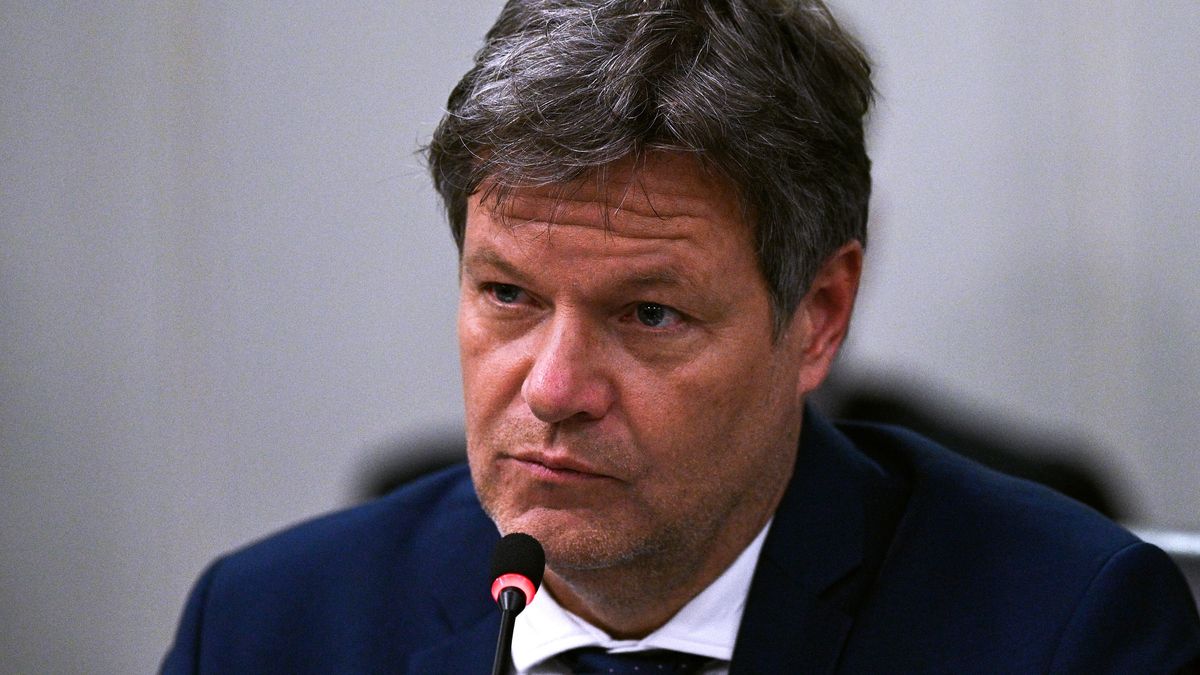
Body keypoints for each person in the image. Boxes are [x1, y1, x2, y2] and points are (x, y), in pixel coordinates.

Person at [162, 1, 1200, 672]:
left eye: (649, 314)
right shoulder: (267, 629)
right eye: (508, 295)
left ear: (819, 317)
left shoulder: (1065, 629)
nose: (556, 388)